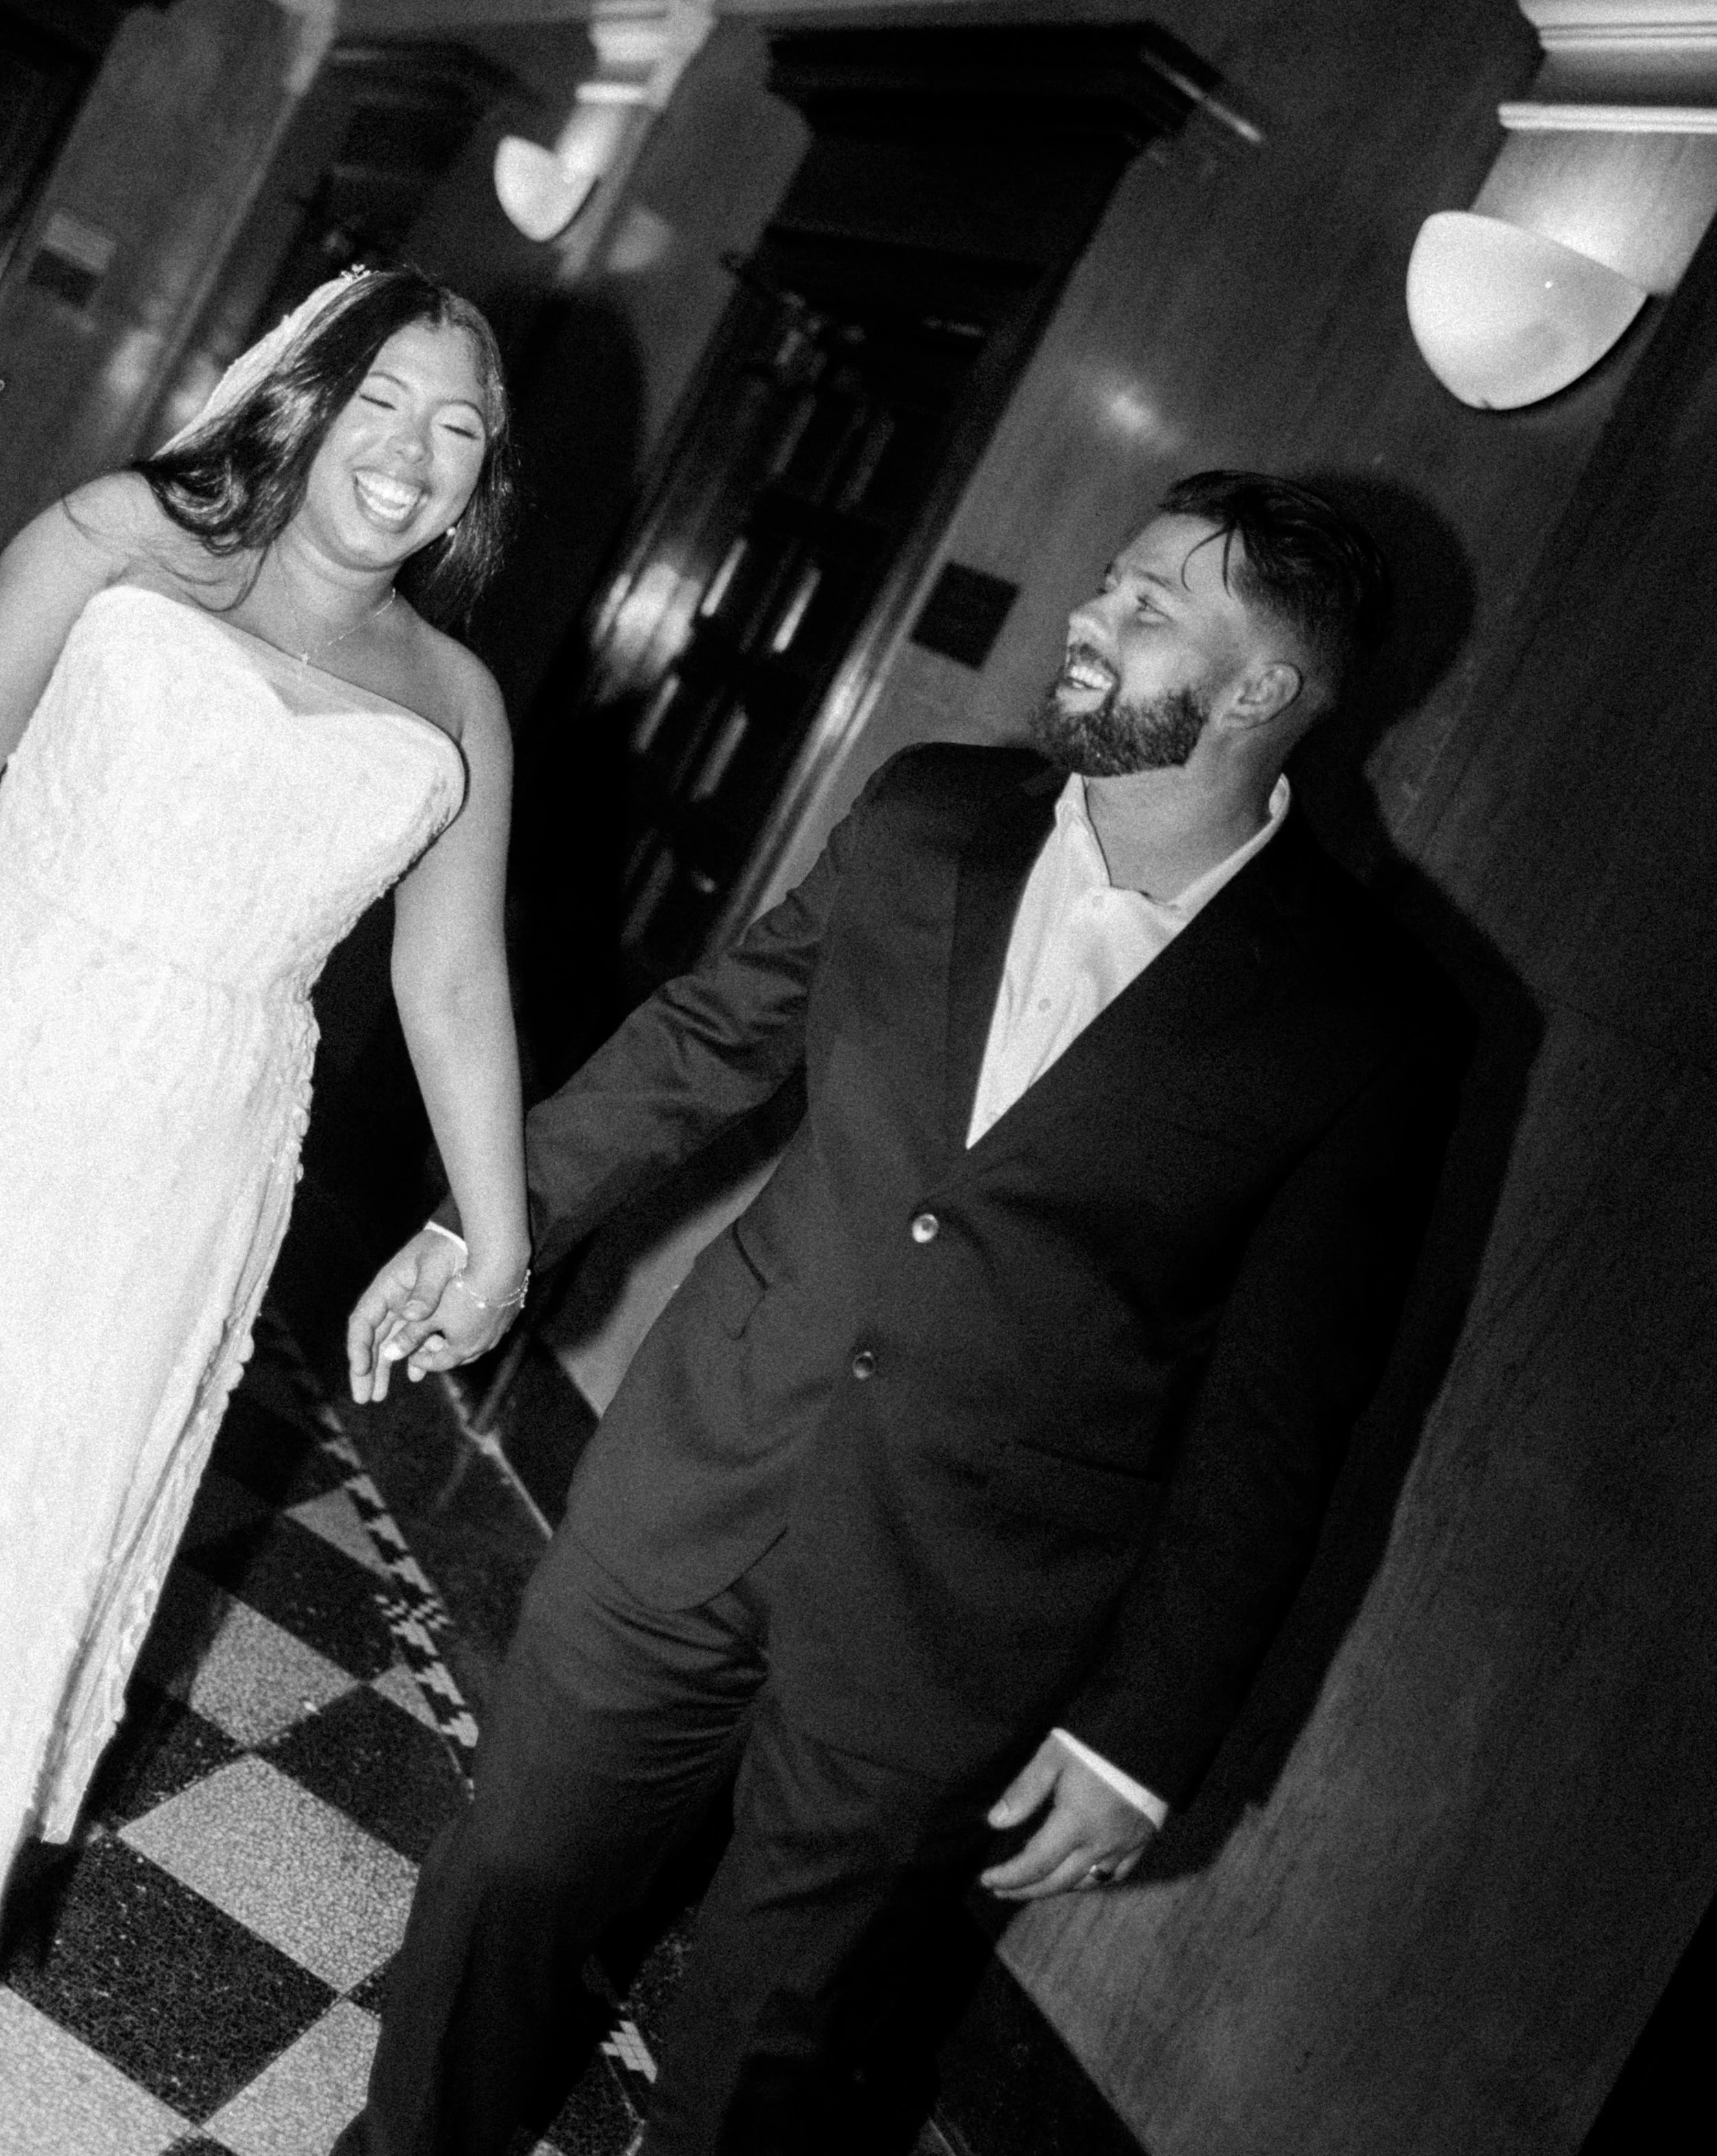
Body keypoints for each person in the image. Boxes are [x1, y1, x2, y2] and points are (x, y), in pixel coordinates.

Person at [343, 470, 1471, 2156]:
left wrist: (1142, 1738)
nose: (1088, 619)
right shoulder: (929, 813)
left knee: (770, 2036)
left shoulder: (1367, 1020)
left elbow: (1282, 1416)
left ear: (1257, 694)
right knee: (505, 1883)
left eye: (1148, 606)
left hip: (963, 1607)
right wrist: (485, 1224)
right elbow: (706, 1040)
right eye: (1107, 581)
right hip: (703, 1467)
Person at [0, 267, 532, 1905]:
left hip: (191, 1144)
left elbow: (448, 984)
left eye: (457, 428)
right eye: (379, 398)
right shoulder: (125, 537)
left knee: (46, 1481)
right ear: (303, 392)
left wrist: (496, 1237)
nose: (409, 452)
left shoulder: (458, 702)